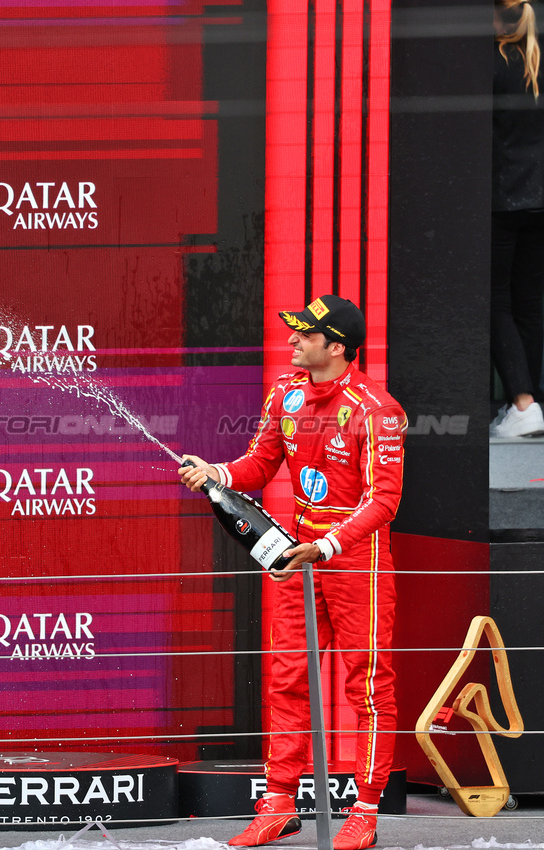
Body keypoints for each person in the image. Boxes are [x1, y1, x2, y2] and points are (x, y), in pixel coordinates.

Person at [180, 296, 404, 850]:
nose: (292, 340)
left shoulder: (377, 409)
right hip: (295, 557)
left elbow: (384, 503)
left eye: (305, 334)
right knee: (286, 680)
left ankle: (366, 813)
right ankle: (277, 803)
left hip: (356, 562)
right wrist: (218, 472)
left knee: (367, 687)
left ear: (337, 346)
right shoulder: (285, 390)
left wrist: (325, 546)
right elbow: (259, 463)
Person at [491, 0, 544, 437]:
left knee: (496, 300)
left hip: (501, 198)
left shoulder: (492, 61)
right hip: (539, 199)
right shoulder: (536, 56)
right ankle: (528, 405)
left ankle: (522, 403)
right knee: (529, 302)